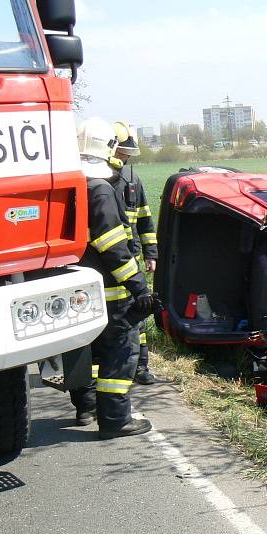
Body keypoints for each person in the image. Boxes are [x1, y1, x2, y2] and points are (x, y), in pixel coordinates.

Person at [70, 117, 154, 439]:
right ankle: (116, 420)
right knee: (121, 350)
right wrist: (139, 286)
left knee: (84, 350)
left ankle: (86, 406)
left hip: (74, 288)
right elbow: (112, 246)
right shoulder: (101, 189)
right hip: (110, 290)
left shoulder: (71, 184)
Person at [112, 121, 158, 385]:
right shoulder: (95, 180)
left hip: (132, 260)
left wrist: (150, 253)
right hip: (106, 265)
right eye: (123, 152)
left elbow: (144, 219)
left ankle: (141, 367)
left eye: (127, 153)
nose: (126, 157)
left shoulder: (131, 179)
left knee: (138, 315)